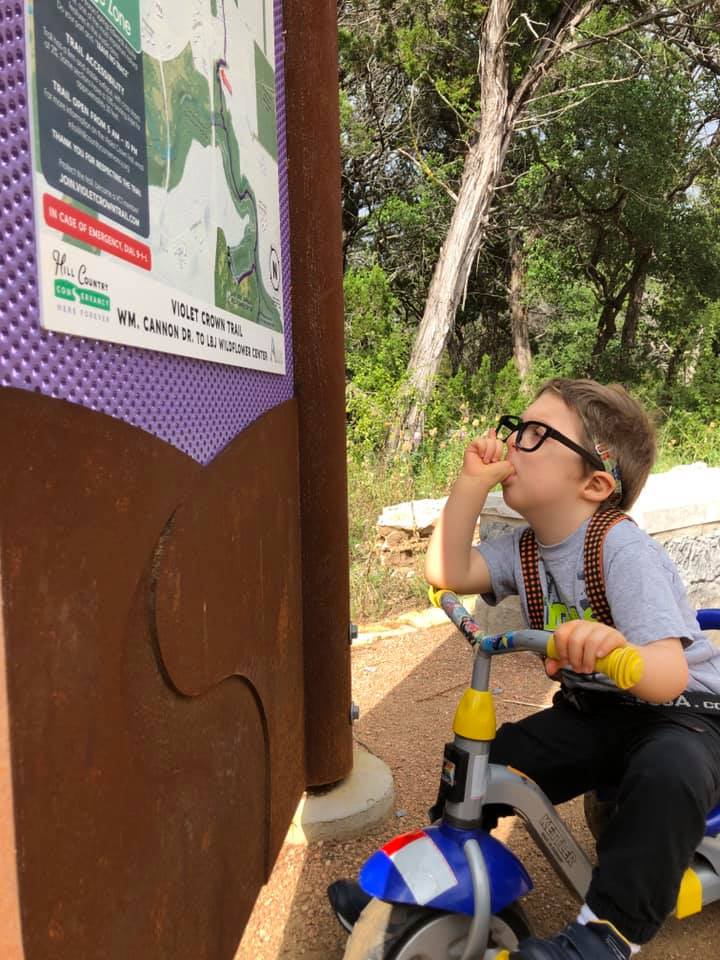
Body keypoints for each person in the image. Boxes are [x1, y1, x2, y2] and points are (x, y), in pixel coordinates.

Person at [329, 378, 720, 959]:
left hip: (681, 715)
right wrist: (468, 484)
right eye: (518, 427)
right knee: (490, 761)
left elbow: (667, 676)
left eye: (537, 434)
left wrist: (611, 641)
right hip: (597, 709)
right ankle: (431, 884)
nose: (514, 441)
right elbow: (447, 570)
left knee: (669, 774)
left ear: (594, 482)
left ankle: (605, 936)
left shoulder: (622, 551)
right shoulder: (526, 547)